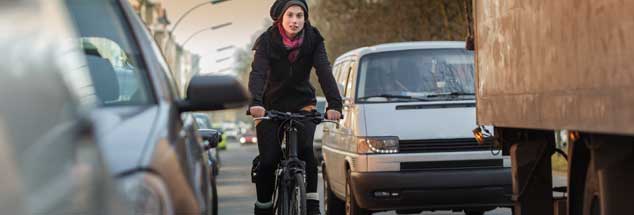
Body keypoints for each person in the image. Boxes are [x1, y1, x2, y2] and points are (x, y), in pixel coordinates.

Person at [247, 0, 343, 214]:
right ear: (280, 17)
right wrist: (255, 102)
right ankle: (263, 206)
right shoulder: (266, 41)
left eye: (300, 16)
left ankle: (311, 203)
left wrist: (334, 104)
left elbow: (324, 72)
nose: (295, 20)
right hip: (270, 106)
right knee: (269, 161)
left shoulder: (314, 39)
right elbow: (258, 74)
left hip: (302, 104)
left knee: (307, 151)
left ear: (305, 18)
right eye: (290, 15)